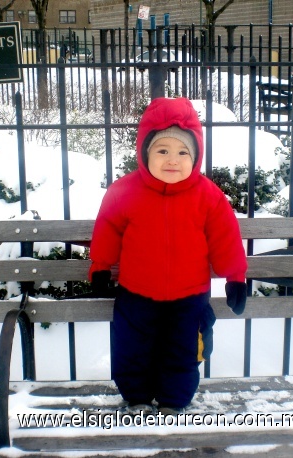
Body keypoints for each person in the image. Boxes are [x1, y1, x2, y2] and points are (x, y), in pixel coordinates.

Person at [89, 96, 247, 415]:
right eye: (162, 150)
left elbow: (225, 238)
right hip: (137, 293)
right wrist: (101, 266)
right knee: (132, 348)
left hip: (189, 297)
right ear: (145, 151)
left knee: (183, 350)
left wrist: (235, 278)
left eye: (182, 152)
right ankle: (137, 397)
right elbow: (107, 229)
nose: (172, 160)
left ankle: (175, 400)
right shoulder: (124, 192)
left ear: (196, 156)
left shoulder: (209, 197)